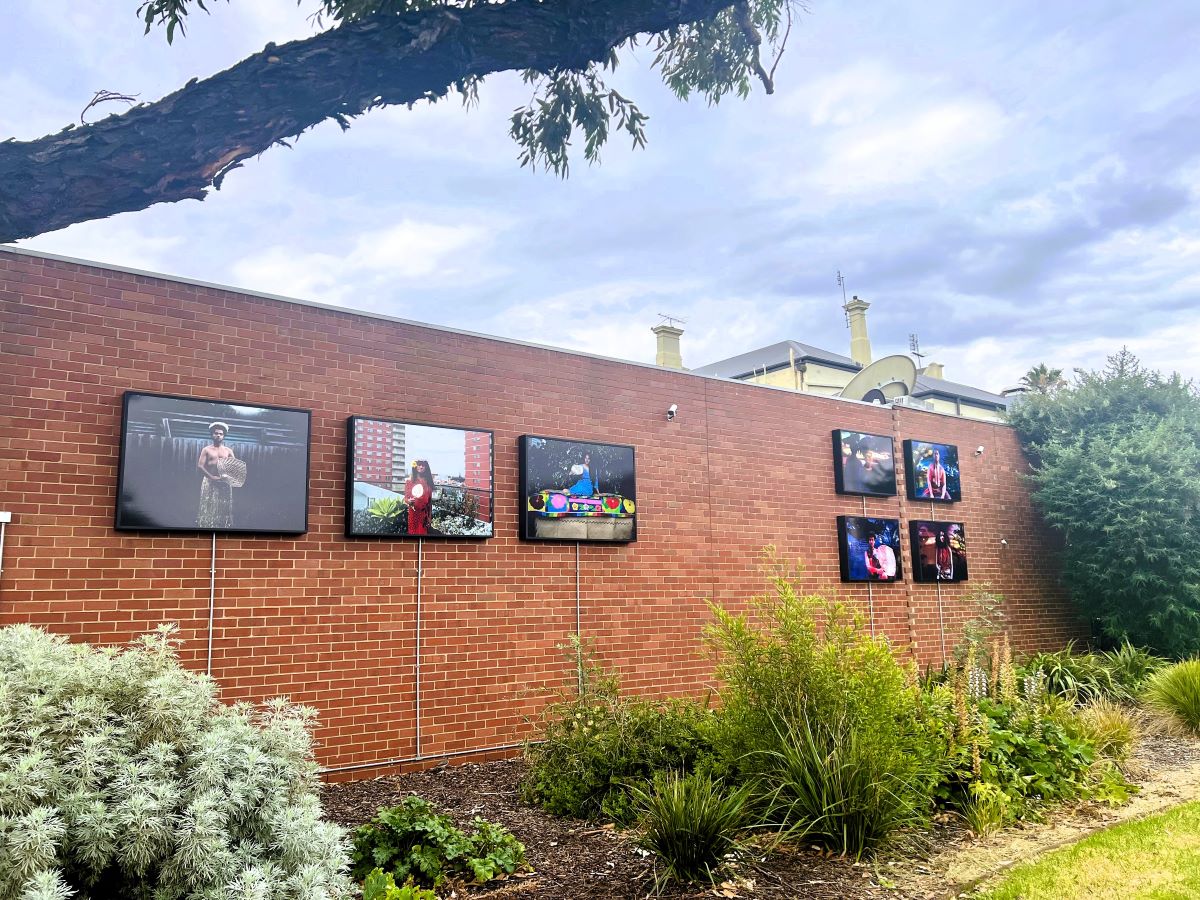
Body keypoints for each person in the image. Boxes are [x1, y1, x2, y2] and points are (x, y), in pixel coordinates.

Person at [197, 421, 237, 528]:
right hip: (209, 481)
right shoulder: (206, 450)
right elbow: (200, 466)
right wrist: (211, 477)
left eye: (221, 434)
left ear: (224, 436)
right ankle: (206, 526)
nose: (218, 435)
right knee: (209, 506)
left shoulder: (228, 451)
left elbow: (234, 466)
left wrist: (226, 477)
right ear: (212, 434)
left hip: (224, 482)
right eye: (216, 433)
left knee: (223, 506)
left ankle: (223, 527)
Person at [405, 459, 435, 535]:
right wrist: (409, 501)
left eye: (423, 465)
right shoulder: (410, 481)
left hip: (424, 514)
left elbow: (429, 502)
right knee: (413, 535)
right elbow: (406, 498)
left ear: (426, 467)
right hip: (414, 513)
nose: (421, 467)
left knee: (423, 535)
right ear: (415, 466)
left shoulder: (428, 482)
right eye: (419, 465)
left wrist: (429, 517)